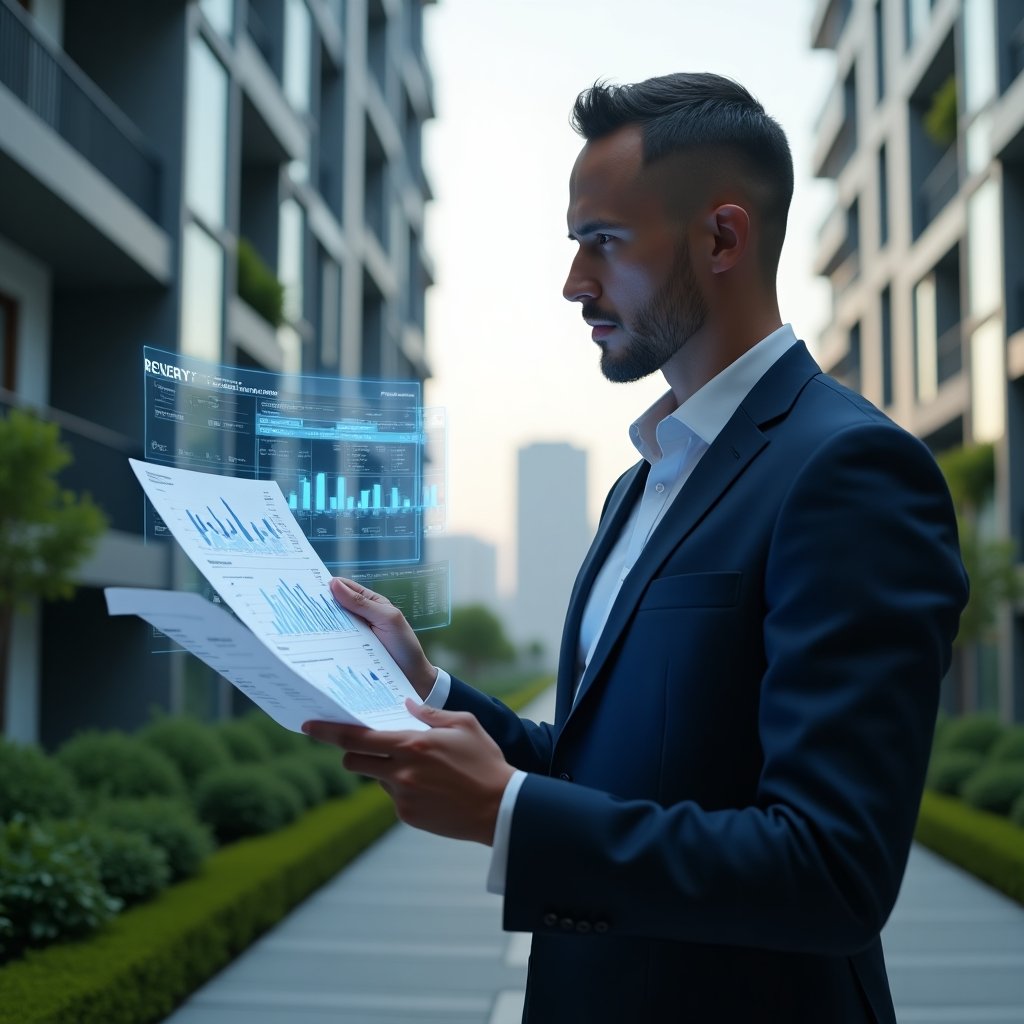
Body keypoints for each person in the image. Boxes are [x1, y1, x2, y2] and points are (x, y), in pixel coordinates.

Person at [304, 72, 968, 1023]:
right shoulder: (641, 483)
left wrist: (509, 814)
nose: (575, 283)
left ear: (722, 239)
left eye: (603, 242)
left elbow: (831, 869)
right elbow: (605, 767)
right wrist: (430, 692)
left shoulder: (853, 471)